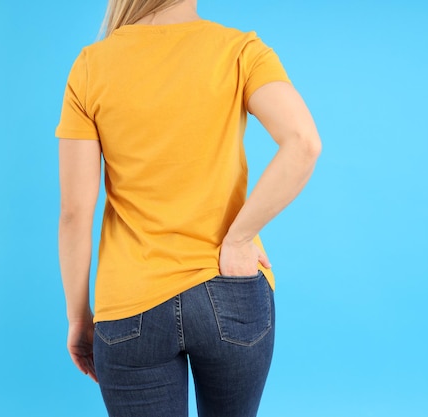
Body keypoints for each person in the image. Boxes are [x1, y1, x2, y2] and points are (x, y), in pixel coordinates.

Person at [55, 0, 322, 415]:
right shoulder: (240, 50)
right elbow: (304, 142)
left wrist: (78, 317)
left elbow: (75, 211)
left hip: (130, 307)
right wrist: (240, 238)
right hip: (229, 285)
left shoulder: (92, 65)